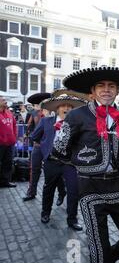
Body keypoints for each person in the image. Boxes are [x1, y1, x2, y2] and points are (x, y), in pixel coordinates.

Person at [52, 66, 119, 263]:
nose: (106, 90)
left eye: (111, 86)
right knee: (98, 247)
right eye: (101, 86)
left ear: (117, 90)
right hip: (90, 187)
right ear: (92, 92)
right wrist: (82, 164)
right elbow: (59, 149)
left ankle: (106, 262)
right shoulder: (77, 116)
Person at [33, 94, 86, 231]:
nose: (66, 108)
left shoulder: (77, 123)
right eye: (63, 106)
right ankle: (45, 213)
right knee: (48, 188)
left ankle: (72, 220)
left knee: (73, 191)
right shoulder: (46, 121)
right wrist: (46, 151)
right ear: (57, 109)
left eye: (69, 106)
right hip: (52, 162)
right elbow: (35, 137)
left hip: (70, 163)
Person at [23, 93, 56, 202]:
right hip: (38, 146)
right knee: (34, 170)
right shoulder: (34, 113)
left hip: (52, 147)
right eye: (43, 102)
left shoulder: (55, 113)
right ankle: (31, 192)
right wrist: (33, 139)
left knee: (55, 171)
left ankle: (62, 192)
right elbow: (29, 128)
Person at [0, 96, 17, 188]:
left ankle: (5, 181)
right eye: (3, 100)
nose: (5, 101)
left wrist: (14, 137)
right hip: (0, 143)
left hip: (9, 143)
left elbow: (14, 125)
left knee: (8, 163)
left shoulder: (9, 113)